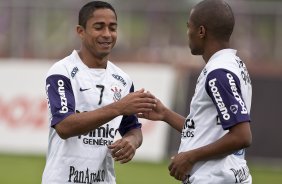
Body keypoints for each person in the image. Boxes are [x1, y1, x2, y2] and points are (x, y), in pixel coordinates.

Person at [41, 1, 157, 183]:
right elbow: (64, 126)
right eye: (98, 27)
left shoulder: (122, 80)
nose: (107, 34)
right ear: (80, 31)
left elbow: (133, 129)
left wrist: (131, 142)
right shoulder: (62, 72)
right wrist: (118, 107)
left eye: (112, 28)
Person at [139, 0, 253, 183]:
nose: (187, 33)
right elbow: (205, 132)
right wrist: (165, 114)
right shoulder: (233, 65)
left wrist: (189, 157)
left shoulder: (218, 74)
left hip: (216, 179)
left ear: (201, 31)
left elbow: (242, 136)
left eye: (188, 27)